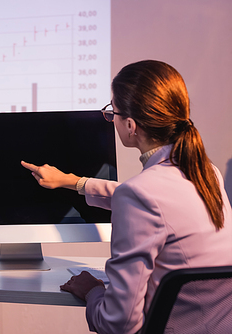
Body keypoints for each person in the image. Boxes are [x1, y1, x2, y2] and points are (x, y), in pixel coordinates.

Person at [22, 60, 232, 333]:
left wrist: (93, 292)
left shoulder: (141, 194)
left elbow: (118, 324)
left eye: (112, 113)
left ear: (130, 125)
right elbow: (151, 200)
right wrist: (73, 182)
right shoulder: (207, 173)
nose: (111, 118)